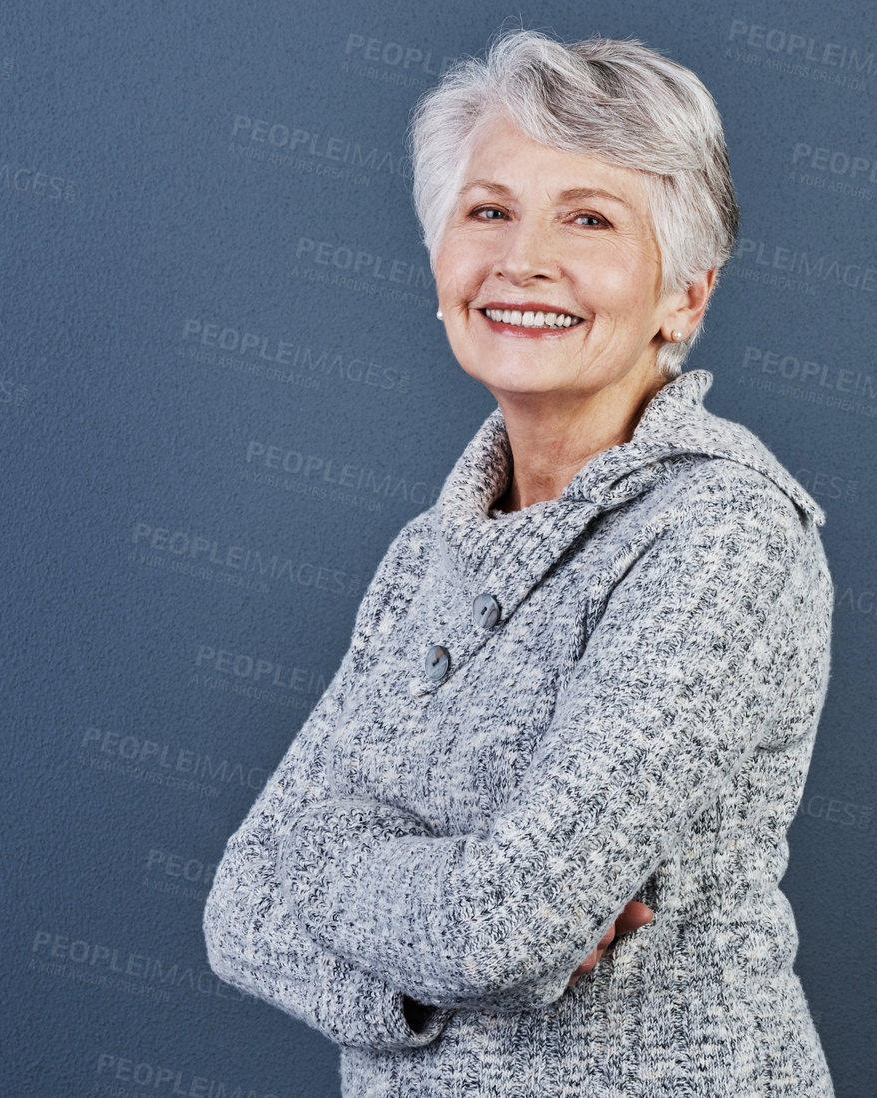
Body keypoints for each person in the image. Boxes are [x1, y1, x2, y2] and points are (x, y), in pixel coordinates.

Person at [203, 26, 835, 1097]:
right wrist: (419, 954)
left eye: (586, 218)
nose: (520, 258)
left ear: (683, 296)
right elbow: (236, 910)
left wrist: (323, 872)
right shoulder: (428, 555)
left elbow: (502, 923)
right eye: (487, 210)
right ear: (438, 259)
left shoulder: (723, 531)